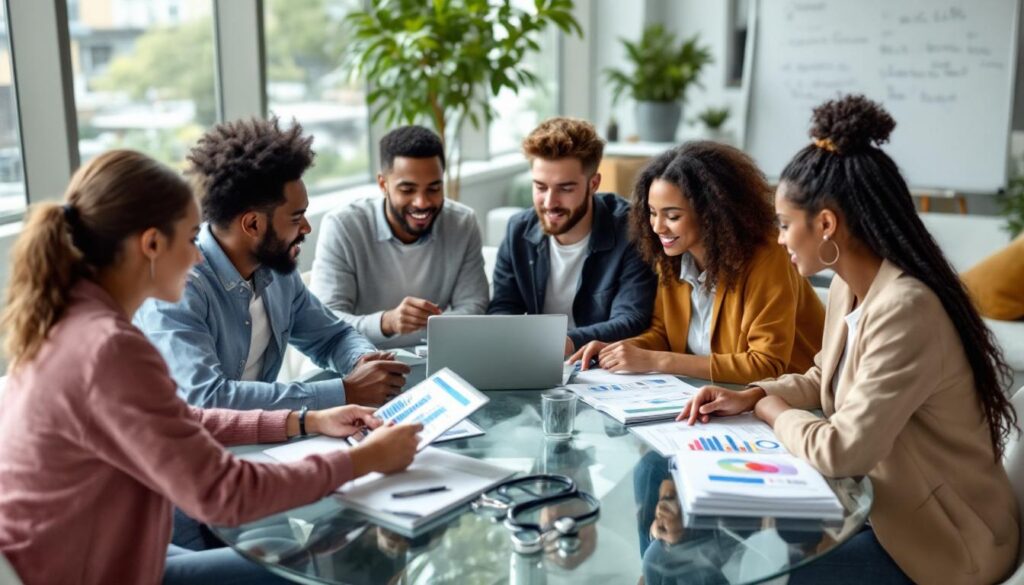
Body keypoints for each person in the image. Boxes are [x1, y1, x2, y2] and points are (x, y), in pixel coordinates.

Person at [0, 150, 422, 585]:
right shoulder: (108, 347)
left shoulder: (74, 321)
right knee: (320, 571)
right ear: (151, 244)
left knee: (312, 554)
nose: (198, 257)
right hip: (80, 572)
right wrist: (364, 460)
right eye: (188, 239)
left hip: (90, 554)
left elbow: (186, 418)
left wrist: (306, 419)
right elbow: (227, 495)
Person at [680, 95, 1019, 584]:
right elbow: (825, 377)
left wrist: (770, 412)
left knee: (794, 573)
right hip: (884, 506)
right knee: (706, 532)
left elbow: (843, 451)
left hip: (946, 542)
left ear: (825, 224)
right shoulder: (848, 286)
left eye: (783, 224)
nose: (779, 239)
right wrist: (754, 394)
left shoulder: (907, 310)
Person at [135, 117, 409, 411]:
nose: (306, 228)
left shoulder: (276, 272)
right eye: (295, 217)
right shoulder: (178, 287)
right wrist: (345, 392)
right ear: (252, 224)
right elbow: (206, 398)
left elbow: (333, 336)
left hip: (264, 441)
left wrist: (362, 360)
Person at [571, 142, 824, 384]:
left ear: (711, 213)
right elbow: (663, 334)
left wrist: (656, 361)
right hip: (717, 399)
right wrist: (619, 350)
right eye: (651, 212)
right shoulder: (672, 257)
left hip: (794, 401)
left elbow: (766, 364)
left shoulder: (768, 256)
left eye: (672, 216)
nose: (658, 227)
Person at [488, 117, 656, 356]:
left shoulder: (630, 228)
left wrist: (563, 342)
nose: (549, 203)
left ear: (594, 183)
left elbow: (631, 319)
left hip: (602, 365)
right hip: (532, 359)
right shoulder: (518, 230)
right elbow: (503, 308)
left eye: (565, 188)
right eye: (540, 187)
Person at [309, 125, 488, 349]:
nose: (422, 202)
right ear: (383, 184)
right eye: (407, 190)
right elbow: (327, 321)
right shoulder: (343, 226)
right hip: (359, 362)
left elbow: (474, 305)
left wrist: (436, 326)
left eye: (433, 188)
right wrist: (388, 322)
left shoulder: (463, 223)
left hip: (431, 360)